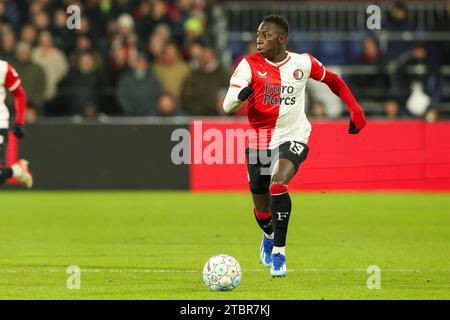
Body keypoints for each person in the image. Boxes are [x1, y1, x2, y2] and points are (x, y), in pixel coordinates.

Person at [222, 15, 367, 277]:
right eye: (258, 34)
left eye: (265, 35)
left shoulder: (302, 62)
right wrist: (241, 96)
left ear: (281, 38)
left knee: (278, 183)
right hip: (259, 141)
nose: (259, 39)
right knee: (261, 208)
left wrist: (355, 110)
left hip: (294, 135)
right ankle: (268, 234)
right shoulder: (248, 65)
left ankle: (279, 253)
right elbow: (226, 105)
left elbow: (333, 80)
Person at [0, 59, 33, 188]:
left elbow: (20, 95)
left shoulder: (3, 68)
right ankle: (18, 170)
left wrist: (19, 122)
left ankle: (17, 170)